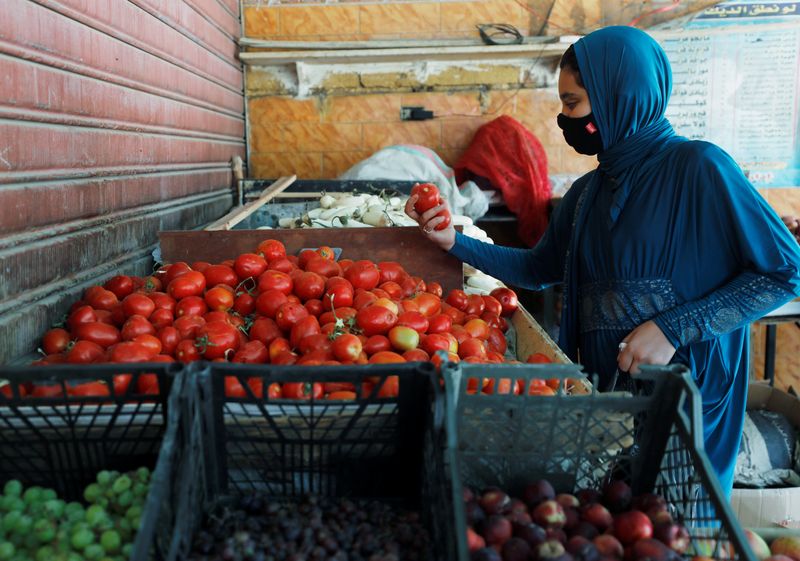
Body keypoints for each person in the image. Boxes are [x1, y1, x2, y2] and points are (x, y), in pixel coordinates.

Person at [405, 26, 800, 497]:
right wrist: (454, 242)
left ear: (620, 95)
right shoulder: (587, 194)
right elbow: (538, 268)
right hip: (610, 406)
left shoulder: (700, 169)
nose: (563, 118)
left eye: (572, 104)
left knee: (674, 527)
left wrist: (675, 328)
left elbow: (785, 270)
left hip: (687, 403)